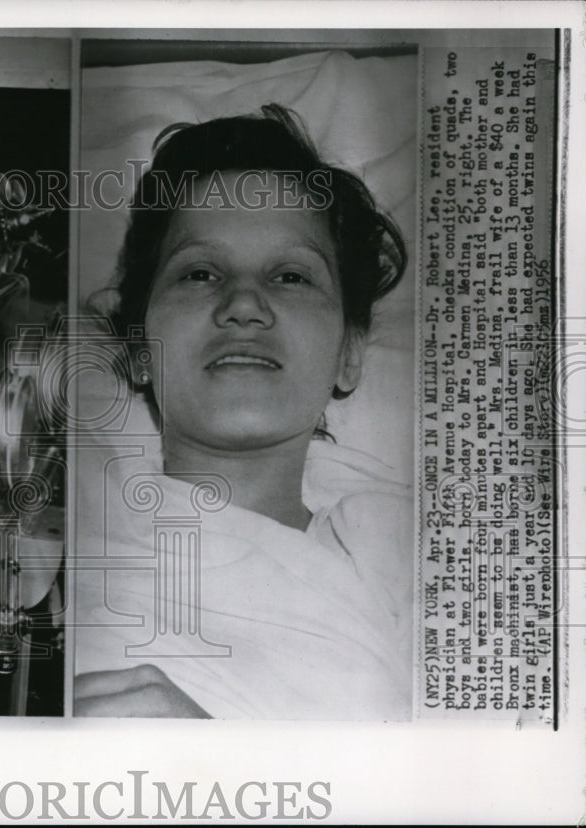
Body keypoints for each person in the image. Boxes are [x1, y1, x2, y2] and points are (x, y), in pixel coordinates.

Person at [74, 105, 412, 719]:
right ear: (139, 350)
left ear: (349, 355)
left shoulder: (409, 555)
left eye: (290, 276)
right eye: (200, 272)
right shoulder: (75, 546)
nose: (244, 302)